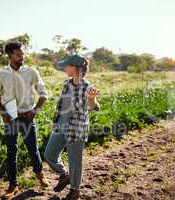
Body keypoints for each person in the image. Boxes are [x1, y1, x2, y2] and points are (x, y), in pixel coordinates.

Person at [0, 42, 50, 199]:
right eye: (18, 54)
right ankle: (13, 185)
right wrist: (3, 113)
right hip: (10, 119)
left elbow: (43, 94)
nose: (22, 56)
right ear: (9, 55)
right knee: (11, 152)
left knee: (33, 149)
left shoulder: (31, 72)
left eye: (22, 54)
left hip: (27, 117)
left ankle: (39, 174)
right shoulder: (0, 75)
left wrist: (35, 110)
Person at [44, 54, 100, 200]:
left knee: (75, 162)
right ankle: (64, 174)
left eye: (66, 66)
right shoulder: (66, 84)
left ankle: (75, 190)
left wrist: (92, 100)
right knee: (49, 154)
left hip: (77, 129)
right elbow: (61, 104)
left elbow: (94, 107)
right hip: (61, 126)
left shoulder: (87, 87)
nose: (64, 68)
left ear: (75, 68)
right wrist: (55, 120)